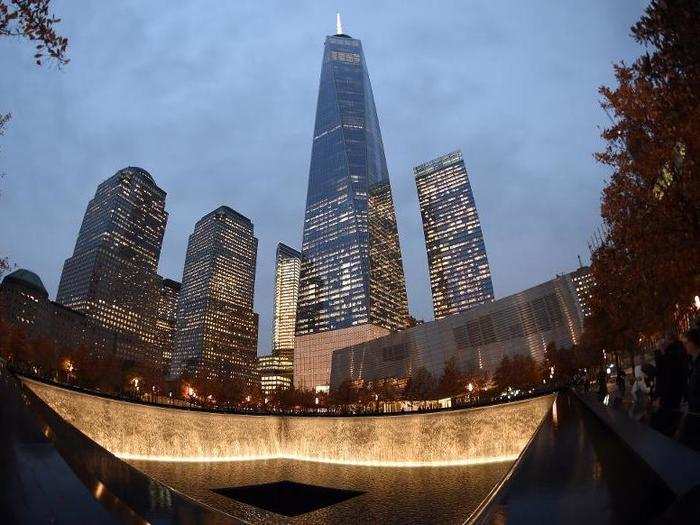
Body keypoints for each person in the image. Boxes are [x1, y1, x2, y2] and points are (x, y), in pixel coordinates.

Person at [652, 338, 688, 437]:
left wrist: (659, 398)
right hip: (674, 399)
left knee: (663, 427)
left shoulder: (667, 361)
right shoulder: (676, 358)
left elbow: (665, 382)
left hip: (667, 401)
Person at [678, 327, 700, 451]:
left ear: (693, 343)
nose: (685, 345)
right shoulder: (693, 363)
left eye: (686, 342)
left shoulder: (697, 364)